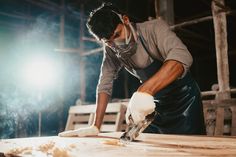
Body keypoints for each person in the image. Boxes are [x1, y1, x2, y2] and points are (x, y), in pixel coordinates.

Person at [58, 3, 206, 137]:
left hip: (185, 100)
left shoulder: (154, 29)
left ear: (126, 20)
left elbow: (182, 57)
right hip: (157, 106)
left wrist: (144, 91)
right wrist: (96, 126)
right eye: (108, 42)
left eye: (117, 35)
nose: (116, 44)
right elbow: (104, 84)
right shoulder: (111, 50)